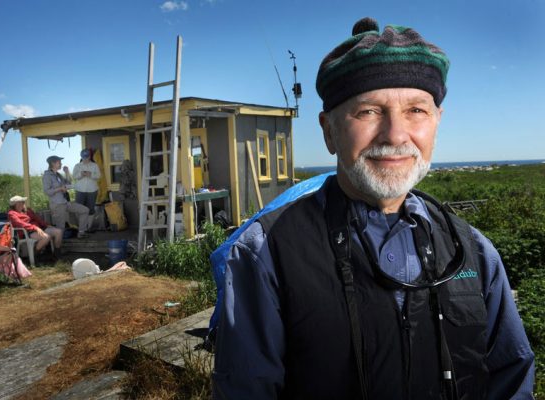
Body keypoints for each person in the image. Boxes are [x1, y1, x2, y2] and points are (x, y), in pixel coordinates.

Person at [213, 18, 535, 400]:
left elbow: (511, 380)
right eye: (368, 111)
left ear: (437, 122)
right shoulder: (266, 253)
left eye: (417, 110)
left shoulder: (472, 251)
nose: (395, 134)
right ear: (329, 131)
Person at [42, 155, 90, 238]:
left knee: (85, 210)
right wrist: (60, 188)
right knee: (61, 227)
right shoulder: (47, 176)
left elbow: (68, 183)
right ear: (53, 163)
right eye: (59, 162)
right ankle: (59, 244)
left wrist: (67, 172)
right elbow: (47, 191)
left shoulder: (58, 175)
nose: (61, 164)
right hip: (57, 205)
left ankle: (81, 232)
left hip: (65, 202)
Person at [7, 195, 63, 259]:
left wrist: (46, 225)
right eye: (20, 202)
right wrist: (35, 228)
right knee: (46, 237)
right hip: (27, 232)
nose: (22, 204)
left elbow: (37, 219)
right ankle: (35, 254)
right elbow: (20, 224)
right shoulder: (11, 213)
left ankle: (56, 254)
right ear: (14, 205)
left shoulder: (27, 210)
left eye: (23, 202)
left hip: (39, 228)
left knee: (58, 232)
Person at [72, 148, 101, 214]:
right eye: (83, 157)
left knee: (91, 209)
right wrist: (81, 174)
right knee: (79, 208)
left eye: (87, 157)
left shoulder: (95, 165)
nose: (85, 159)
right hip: (80, 190)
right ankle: (81, 221)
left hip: (92, 191)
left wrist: (91, 174)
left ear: (89, 156)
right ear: (81, 157)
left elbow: (99, 176)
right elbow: (74, 176)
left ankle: (89, 221)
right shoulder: (77, 166)